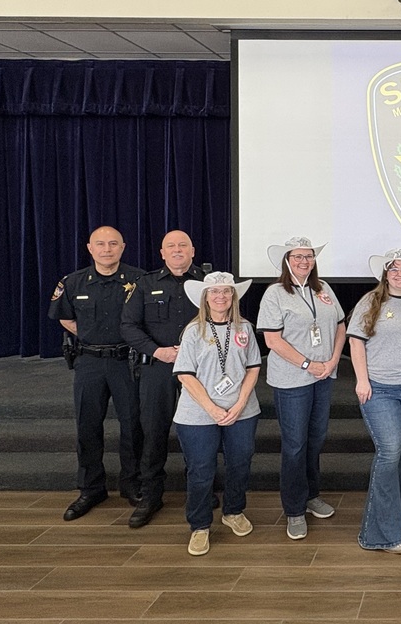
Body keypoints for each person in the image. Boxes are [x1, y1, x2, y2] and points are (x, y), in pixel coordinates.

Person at [48, 225, 145, 520]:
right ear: (90, 248)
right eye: (100, 244)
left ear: (123, 247)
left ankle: (132, 484)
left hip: (126, 361)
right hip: (89, 361)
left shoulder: (138, 280)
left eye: (113, 243)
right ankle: (91, 488)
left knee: (133, 425)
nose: (107, 249)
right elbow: (65, 317)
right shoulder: (73, 282)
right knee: (88, 426)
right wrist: (90, 335)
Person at [257, 237, 346, 541]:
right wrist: (309, 364)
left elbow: (341, 325)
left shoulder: (323, 289)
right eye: (298, 257)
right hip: (293, 380)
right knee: (294, 445)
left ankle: (311, 496)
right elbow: (272, 340)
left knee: (315, 439)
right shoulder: (274, 294)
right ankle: (294, 509)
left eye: (308, 256)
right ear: (286, 260)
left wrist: (333, 360)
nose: (304, 261)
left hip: (324, 376)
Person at [347, 248, 401, 555]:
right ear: (385, 274)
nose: (399, 273)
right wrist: (362, 379)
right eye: (393, 269)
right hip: (379, 388)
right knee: (390, 451)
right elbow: (356, 341)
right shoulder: (370, 302)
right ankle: (379, 534)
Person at [121, 229, 205, 528]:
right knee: (153, 433)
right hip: (159, 369)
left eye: (183, 245)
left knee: (200, 433)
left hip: (200, 371)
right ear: (162, 253)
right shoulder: (145, 284)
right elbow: (129, 326)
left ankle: (201, 491)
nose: (177, 250)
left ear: (193, 251)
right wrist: (158, 352)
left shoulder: (209, 284)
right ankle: (151, 496)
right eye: (171, 246)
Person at [175, 272, 261, 557]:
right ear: (205, 297)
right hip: (198, 413)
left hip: (241, 411)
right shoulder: (193, 331)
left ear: (233, 297)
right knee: (201, 470)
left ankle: (233, 511)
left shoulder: (245, 329)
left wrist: (238, 405)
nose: (221, 296)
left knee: (240, 463)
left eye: (226, 292)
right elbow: (185, 375)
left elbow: (253, 368)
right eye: (215, 292)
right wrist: (212, 408)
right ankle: (200, 526)